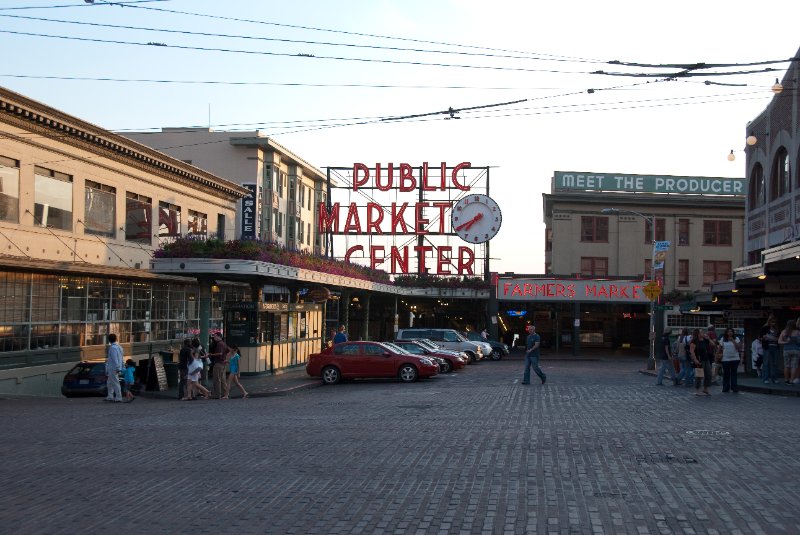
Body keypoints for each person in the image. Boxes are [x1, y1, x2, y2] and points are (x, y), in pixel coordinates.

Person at [719, 328, 742, 393]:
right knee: (726, 374)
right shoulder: (723, 339)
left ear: (733, 333)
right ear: (726, 333)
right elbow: (719, 349)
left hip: (735, 359)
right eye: (728, 331)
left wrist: (733, 340)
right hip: (725, 359)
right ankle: (726, 388)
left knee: (734, 373)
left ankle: (734, 387)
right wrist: (717, 356)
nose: (730, 333)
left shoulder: (737, 339)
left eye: (731, 331)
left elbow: (738, 347)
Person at [208, 332, 230, 399]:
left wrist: (211, 354)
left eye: (215, 336)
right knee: (223, 380)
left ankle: (217, 395)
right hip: (223, 363)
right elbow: (227, 352)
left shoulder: (219, 344)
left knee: (217, 379)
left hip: (218, 363)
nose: (214, 338)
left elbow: (220, 353)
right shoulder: (224, 343)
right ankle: (225, 394)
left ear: (218, 336)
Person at [778, 319, 800, 385]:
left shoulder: (784, 332)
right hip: (796, 350)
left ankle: (786, 380)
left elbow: (779, 341)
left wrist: (786, 342)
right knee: (794, 366)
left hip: (786, 350)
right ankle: (791, 381)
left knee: (786, 365)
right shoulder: (798, 332)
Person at [104, 333, 124, 402]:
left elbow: (115, 359)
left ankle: (118, 397)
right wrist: (121, 366)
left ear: (109, 340)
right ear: (116, 338)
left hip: (113, 368)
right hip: (115, 367)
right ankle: (110, 396)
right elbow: (121, 358)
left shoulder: (113, 348)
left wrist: (117, 368)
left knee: (115, 382)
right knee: (109, 382)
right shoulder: (119, 347)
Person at [760, 315, 780, 384]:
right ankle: (765, 378)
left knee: (775, 363)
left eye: (774, 322)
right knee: (766, 363)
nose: (773, 323)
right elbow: (760, 338)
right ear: (769, 321)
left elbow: (779, 339)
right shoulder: (765, 328)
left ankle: (774, 378)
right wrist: (764, 337)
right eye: (772, 322)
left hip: (775, 347)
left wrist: (772, 338)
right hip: (767, 347)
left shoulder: (777, 329)